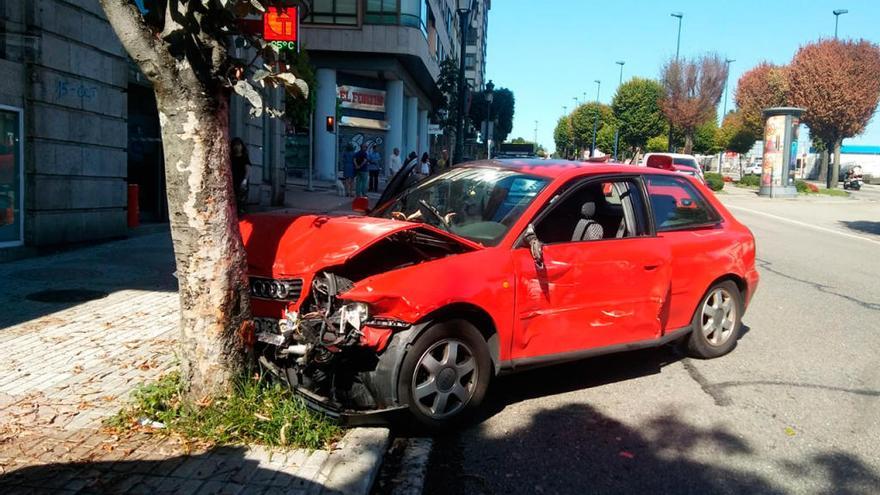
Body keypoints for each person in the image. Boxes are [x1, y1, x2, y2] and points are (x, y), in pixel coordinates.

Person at [230, 137, 250, 214]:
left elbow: (248, 169)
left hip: (242, 180)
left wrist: (245, 180)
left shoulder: (244, 157)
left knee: (241, 198)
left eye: (238, 145)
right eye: (235, 145)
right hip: (233, 179)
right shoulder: (231, 157)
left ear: (242, 146)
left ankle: (241, 211)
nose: (237, 147)